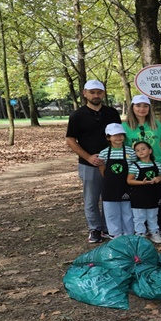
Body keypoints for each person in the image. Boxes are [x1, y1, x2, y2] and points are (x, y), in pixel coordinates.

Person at [65, 80, 122, 243]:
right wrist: (88, 157)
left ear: (103, 93)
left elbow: (119, 136)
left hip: (111, 162)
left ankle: (107, 227)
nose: (96, 95)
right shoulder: (77, 115)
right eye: (92, 92)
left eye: (99, 92)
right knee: (91, 198)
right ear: (85, 93)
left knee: (109, 196)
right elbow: (70, 139)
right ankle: (94, 228)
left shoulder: (111, 113)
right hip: (89, 163)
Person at [123, 94, 161, 237]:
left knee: (158, 197)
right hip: (136, 167)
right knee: (140, 197)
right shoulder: (124, 127)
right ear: (132, 108)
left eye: (145, 106)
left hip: (157, 164)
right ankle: (141, 229)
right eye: (138, 106)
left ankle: (159, 226)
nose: (142, 109)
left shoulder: (156, 124)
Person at [98, 123, 136, 237]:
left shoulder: (130, 152)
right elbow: (102, 167)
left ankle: (129, 233)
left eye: (120, 135)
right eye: (115, 135)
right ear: (108, 137)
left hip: (126, 185)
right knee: (111, 211)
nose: (118, 137)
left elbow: (133, 167)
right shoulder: (104, 153)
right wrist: (109, 179)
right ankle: (115, 234)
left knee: (127, 211)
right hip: (110, 187)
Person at [127, 141, 161, 244]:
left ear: (150, 151)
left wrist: (159, 178)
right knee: (139, 217)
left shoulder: (157, 165)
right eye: (137, 150)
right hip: (138, 196)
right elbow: (129, 180)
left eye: (143, 149)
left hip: (153, 196)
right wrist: (141, 183)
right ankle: (140, 235)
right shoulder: (134, 166)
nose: (140, 152)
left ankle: (155, 233)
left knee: (152, 216)